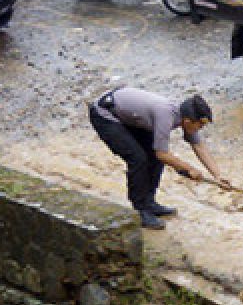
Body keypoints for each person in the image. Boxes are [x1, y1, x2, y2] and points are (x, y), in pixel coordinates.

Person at [88, 88, 229, 230]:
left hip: (128, 116)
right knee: (138, 159)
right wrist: (189, 168)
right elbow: (162, 154)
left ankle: (149, 202)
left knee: (154, 157)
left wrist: (218, 175)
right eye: (201, 124)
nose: (201, 128)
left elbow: (199, 146)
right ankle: (140, 210)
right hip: (104, 114)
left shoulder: (185, 119)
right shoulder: (165, 115)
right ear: (187, 121)